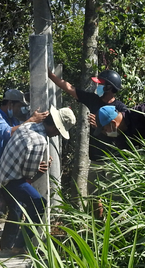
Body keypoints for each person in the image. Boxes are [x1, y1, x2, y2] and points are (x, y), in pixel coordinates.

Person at [0, 105, 76, 254]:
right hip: (11, 180)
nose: (56, 135)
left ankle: (9, 245)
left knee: (17, 210)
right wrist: (40, 166)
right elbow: (28, 173)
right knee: (39, 204)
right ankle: (19, 246)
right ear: (56, 127)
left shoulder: (30, 125)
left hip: (1, 174)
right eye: (58, 132)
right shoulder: (40, 142)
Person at [48, 67, 127, 207]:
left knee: (115, 201)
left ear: (109, 87)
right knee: (93, 199)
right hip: (95, 159)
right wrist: (49, 75)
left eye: (101, 84)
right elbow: (69, 88)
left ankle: (113, 227)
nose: (98, 86)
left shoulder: (120, 109)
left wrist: (100, 127)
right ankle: (97, 226)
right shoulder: (93, 100)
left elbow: (121, 134)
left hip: (114, 161)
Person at [0, 89, 47, 251]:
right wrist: (31, 120)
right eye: (20, 105)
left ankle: (7, 245)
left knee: (16, 210)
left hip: (11, 172)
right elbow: (7, 134)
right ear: (10, 103)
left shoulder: (13, 119)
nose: (21, 108)